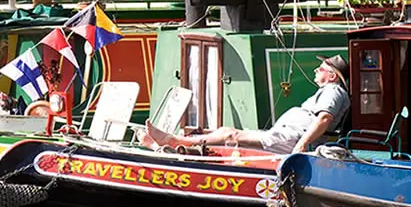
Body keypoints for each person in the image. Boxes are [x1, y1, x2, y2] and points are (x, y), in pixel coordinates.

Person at [140, 55, 351, 154]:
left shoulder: (333, 91)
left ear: (332, 76)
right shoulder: (328, 90)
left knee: (231, 137)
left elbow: (324, 118)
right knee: (225, 130)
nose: (315, 70)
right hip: (286, 135)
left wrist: (302, 144)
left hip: (291, 139)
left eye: (321, 69)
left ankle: (174, 141)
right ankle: (166, 147)